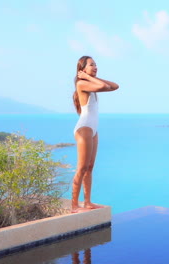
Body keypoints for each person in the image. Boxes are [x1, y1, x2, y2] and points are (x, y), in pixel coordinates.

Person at [71, 56, 119, 213]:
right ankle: (74, 205)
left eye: (96, 64)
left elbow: (115, 86)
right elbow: (103, 86)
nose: (95, 67)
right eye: (92, 65)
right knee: (82, 167)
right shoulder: (82, 83)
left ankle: (87, 202)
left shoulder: (90, 82)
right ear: (83, 69)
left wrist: (92, 76)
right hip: (84, 128)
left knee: (90, 167)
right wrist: (86, 77)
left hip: (93, 130)